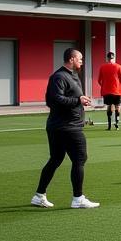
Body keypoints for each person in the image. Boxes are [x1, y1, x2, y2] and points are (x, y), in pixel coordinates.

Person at [31, 47, 98, 209]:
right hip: (67, 127)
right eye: (79, 58)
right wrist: (77, 101)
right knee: (80, 159)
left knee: (55, 159)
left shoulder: (73, 76)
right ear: (71, 59)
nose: (81, 61)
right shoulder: (59, 76)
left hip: (63, 126)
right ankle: (78, 198)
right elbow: (53, 100)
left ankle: (39, 195)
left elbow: (69, 98)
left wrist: (81, 100)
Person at [98, 51, 121, 131]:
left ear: (107, 58)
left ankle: (109, 125)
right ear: (113, 57)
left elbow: (99, 80)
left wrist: (104, 86)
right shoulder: (119, 66)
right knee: (118, 106)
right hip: (117, 90)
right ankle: (117, 122)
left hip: (106, 90)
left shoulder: (102, 67)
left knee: (109, 106)